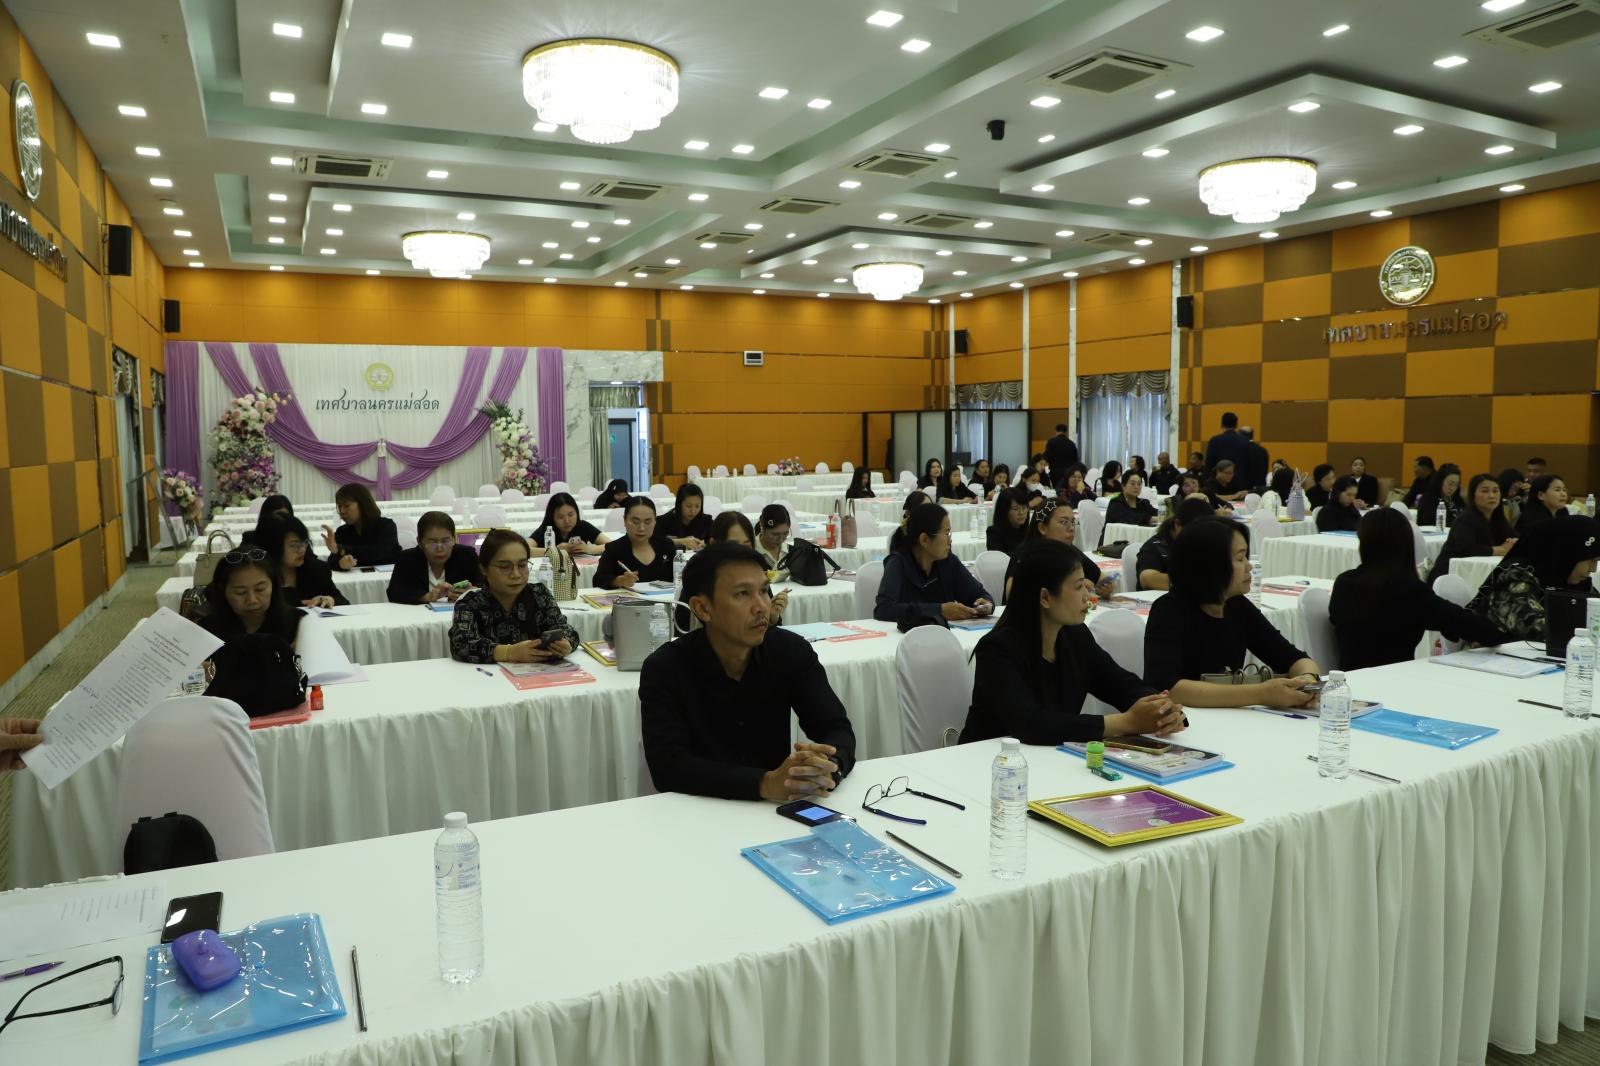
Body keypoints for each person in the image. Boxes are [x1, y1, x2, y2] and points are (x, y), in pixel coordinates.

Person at [640, 544, 856, 800]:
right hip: (697, 809)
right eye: (742, 594)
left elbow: (835, 728)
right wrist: (764, 783)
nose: (762, 606)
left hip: (776, 810)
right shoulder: (665, 668)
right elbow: (668, 767)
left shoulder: (790, 651)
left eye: (763, 591)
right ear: (703, 608)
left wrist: (828, 766)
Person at [959, 540, 1186, 744]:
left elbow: (1120, 683)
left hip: (1050, 761)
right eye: (1078, 587)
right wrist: (1126, 722)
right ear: (1045, 597)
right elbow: (1031, 724)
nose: (1087, 596)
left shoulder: (1074, 635)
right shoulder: (998, 649)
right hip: (989, 764)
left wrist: (1160, 708)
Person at [1143, 518, 1320, 707]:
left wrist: (1307, 681)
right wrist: (1260, 694)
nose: (1249, 566)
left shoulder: (1236, 605)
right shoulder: (1169, 610)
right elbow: (1168, 688)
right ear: (1211, 566)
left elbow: (1293, 658)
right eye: (1240, 559)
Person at [1328, 509, 1507, 669]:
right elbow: (1466, 624)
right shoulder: (1408, 589)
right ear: (1405, 544)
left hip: (1349, 679)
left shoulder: (1344, 582)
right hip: (1393, 679)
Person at [448, 529, 578, 663]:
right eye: (505, 567)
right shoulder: (470, 603)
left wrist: (565, 644)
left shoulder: (539, 594)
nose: (516, 574)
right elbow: (460, 644)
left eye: (522, 565)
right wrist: (508, 652)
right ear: (484, 569)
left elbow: (566, 630)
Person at [1467, 516, 1600, 641]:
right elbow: (1536, 629)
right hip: (1491, 654)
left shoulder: (1571, 579)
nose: (1593, 569)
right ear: (1569, 554)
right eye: (1591, 560)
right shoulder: (1516, 577)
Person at [874, 503, 992, 625]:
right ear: (924, 540)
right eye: (946, 534)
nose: (950, 540)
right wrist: (939, 610)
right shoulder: (898, 563)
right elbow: (884, 609)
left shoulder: (948, 562)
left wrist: (986, 604)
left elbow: (979, 594)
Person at [1004, 497, 1115, 601]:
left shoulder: (1069, 550)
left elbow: (1102, 579)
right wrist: (1073, 587)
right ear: (1042, 528)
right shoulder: (1025, 554)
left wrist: (1106, 587)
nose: (1071, 528)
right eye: (1063, 522)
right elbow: (1013, 595)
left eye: (1073, 522)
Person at [199, 549, 305, 643]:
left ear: (273, 585)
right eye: (240, 592)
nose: (252, 600)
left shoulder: (299, 624)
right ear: (223, 590)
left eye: (260, 589)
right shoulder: (206, 632)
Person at [1429, 474, 1517, 582]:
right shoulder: (1466, 519)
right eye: (1485, 491)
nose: (1492, 496)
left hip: (1478, 572)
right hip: (1450, 576)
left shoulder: (1498, 518)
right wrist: (1500, 550)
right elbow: (1466, 550)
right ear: (1473, 495)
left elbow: (1512, 536)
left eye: (1495, 491)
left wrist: (1513, 542)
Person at [708, 511, 788, 622]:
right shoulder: (705, 580)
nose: (742, 553)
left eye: (747, 546)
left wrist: (772, 616)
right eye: (734, 546)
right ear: (713, 544)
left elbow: (770, 625)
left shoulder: (757, 574)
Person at [387, 511, 480, 604]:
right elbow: (394, 593)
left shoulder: (467, 556)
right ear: (419, 542)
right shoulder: (406, 559)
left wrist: (474, 592)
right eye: (432, 542)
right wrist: (428, 597)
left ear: (453, 539)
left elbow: (484, 585)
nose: (439, 548)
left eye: (445, 541)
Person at [260, 514, 348, 608]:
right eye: (294, 545)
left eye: (305, 542)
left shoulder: (317, 570)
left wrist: (330, 600)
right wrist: (298, 602)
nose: (302, 549)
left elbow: (344, 603)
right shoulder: (261, 574)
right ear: (274, 547)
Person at [1136, 496, 1218, 591]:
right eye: (1195, 531)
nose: (1200, 537)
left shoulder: (1201, 544)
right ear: (1177, 524)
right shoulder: (1155, 546)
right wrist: (1196, 583)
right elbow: (1147, 579)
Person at [595, 496, 677, 589]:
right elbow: (598, 580)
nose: (641, 528)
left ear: (655, 521)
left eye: (647, 522)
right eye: (635, 522)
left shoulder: (666, 546)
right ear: (625, 520)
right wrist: (619, 581)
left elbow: (680, 579)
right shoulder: (614, 549)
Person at [321, 483, 401, 570]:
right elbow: (332, 560)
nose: (342, 511)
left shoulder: (386, 525)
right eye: (339, 506)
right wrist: (341, 564)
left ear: (363, 505)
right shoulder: (342, 531)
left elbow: (380, 552)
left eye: (347, 506)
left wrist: (342, 550)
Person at [529, 492, 608, 556]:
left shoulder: (583, 526)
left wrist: (590, 549)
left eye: (571, 515)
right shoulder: (547, 530)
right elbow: (525, 549)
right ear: (552, 518)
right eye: (560, 517)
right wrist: (556, 551)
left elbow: (611, 544)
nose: (567, 521)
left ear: (577, 512)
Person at [657, 483, 714, 549]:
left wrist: (705, 543)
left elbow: (718, 539)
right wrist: (680, 541)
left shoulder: (707, 521)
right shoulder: (664, 521)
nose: (693, 511)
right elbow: (655, 541)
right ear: (679, 504)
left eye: (697, 506)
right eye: (689, 506)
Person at [1418, 463, 1467, 528]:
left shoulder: (1456, 499)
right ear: (1440, 482)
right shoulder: (1427, 500)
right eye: (1450, 484)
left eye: (1456, 484)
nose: (1452, 488)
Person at [752, 504, 792, 583]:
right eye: (775, 534)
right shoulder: (751, 551)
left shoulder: (791, 552)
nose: (781, 539)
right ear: (762, 527)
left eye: (785, 533)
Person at [1203, 411, 1251, 476]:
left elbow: (1209, 464)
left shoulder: (1215, 440)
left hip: (1220, 479)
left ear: (1222, 424)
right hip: (1240, 480)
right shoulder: (1245, 441)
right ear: (1236, 425)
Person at [986, 488, 1030, 554]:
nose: (1021, 512)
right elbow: (999, 558)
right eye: (1015, 509)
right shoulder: (994, 533)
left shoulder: (1030, 531)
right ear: (1004, 511)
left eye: (1024, 507)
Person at [1045, 424, 1079, 490]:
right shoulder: (1071, 444)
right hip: (1068, 473)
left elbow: (1047, 457)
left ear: (1056, 431)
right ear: (1066, 432)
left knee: (1056, 489)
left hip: (1054, 472)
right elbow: (1075, 460)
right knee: (1066, 490)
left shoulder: (1051, 442)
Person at [1239, 427, 1269, 492]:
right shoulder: (1263, 451)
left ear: (1240, 436)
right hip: (1260, 488)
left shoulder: (1240, 450)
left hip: (1243, 490)